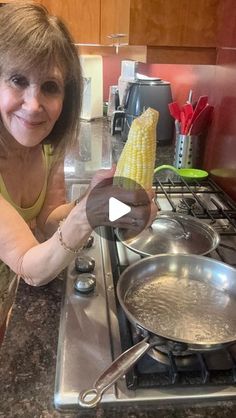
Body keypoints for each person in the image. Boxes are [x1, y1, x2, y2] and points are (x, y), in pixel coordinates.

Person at [0, 1, 157, 345]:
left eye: (50, 87)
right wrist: (86, 215)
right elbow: (30, 266)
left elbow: (49, 221)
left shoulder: (46, 145)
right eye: (17, 79)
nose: (33, 104)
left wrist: (100, 202)